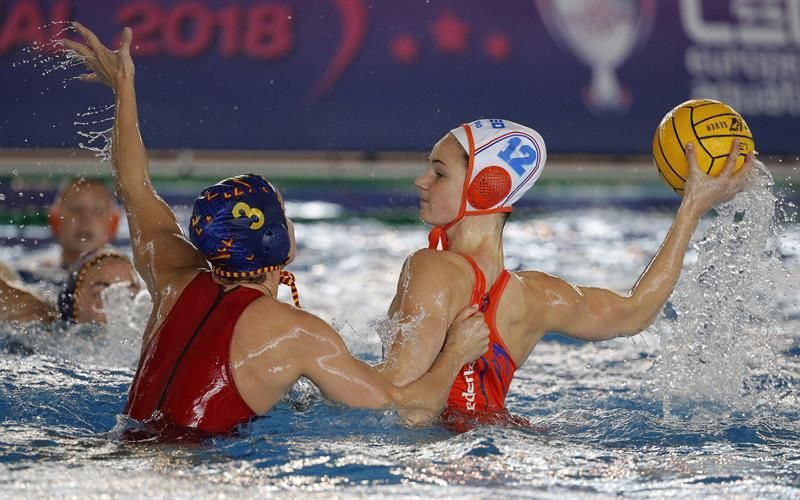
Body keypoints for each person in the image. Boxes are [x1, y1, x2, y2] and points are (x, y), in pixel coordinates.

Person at [64, 22, 490, 439]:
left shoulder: (171, 274)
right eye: (283, 214)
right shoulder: (298, 333)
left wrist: (124, 88)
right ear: (275, 241)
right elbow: (407, 411)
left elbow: (133, 186)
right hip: (188, 474)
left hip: (119, 446)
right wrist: (456, 353)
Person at [379, 119, 754, 430]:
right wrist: (691, 208)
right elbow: (636, 312)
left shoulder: (430, 268)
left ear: (486, 186)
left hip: (435, 458)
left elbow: (400, 409)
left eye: (439, 173)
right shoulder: (537, 298)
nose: (421, 181)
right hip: (506, 441)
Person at [0, 247, 140, 325]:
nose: (120, 306)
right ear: (75, 304)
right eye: (101, 295)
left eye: (131, 295)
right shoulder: (46, 327)